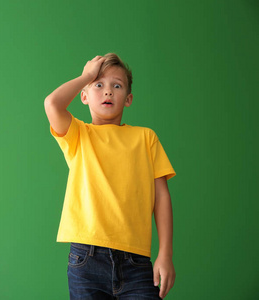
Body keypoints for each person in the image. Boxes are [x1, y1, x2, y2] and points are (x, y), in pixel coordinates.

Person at [44, 53, 176, 299]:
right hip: (86, 260)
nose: (108, 92)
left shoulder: (146, 138)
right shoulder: (79, 136)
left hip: (136, 262)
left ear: (128, 99)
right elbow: (52, 104)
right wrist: (86, 75)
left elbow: (162, 197)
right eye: (98, 84)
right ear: (83, 96)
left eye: (117, 86)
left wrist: (165, 254)